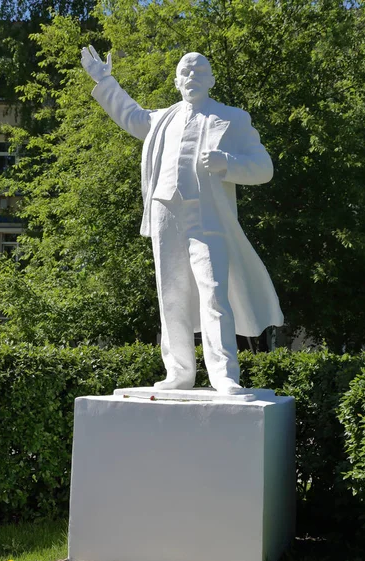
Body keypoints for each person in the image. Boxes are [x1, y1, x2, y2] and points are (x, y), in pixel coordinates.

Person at [81, 46, 284, 394]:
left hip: (207, 217)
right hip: (165, 214)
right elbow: (130, 115)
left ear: (212, 80)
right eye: (186, 72)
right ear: (176, 81)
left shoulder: (233, 119)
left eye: (200, 72)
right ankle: (179, 371)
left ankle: (223, 374)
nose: (192, 77)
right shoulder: (162, 119)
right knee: (170, 294)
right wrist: (105, 80)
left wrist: (228, 164)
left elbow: (264, 168)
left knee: (214, 293)